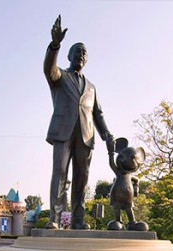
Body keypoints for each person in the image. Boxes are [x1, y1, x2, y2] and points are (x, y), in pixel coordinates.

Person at [44, 15, 114, 229]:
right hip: (63, 132)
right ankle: (54, 220)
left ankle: (77, 220)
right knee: (60, 175)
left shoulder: (91, 87)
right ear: (69, 55)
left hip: (86, 136)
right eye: (77, 51)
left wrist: (106, 134)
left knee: (82, 179)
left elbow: (98, 114)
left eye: (84, 52)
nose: (81, 55)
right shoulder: (59, 76)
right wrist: (55, 44)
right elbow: (48, 68)